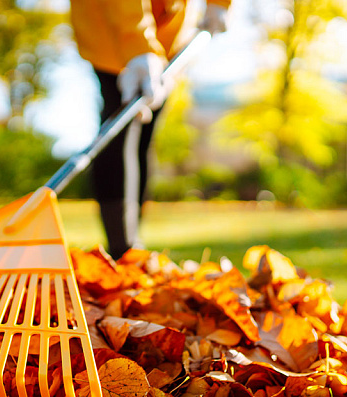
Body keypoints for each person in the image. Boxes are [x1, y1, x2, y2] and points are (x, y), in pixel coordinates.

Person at [68, 0, 230, 259]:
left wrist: (219, 4)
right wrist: (137, 46)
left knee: (145, 132)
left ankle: (132, 248)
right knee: (118, 128)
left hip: (169, 36)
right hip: (109, 25)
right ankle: (122, 247)